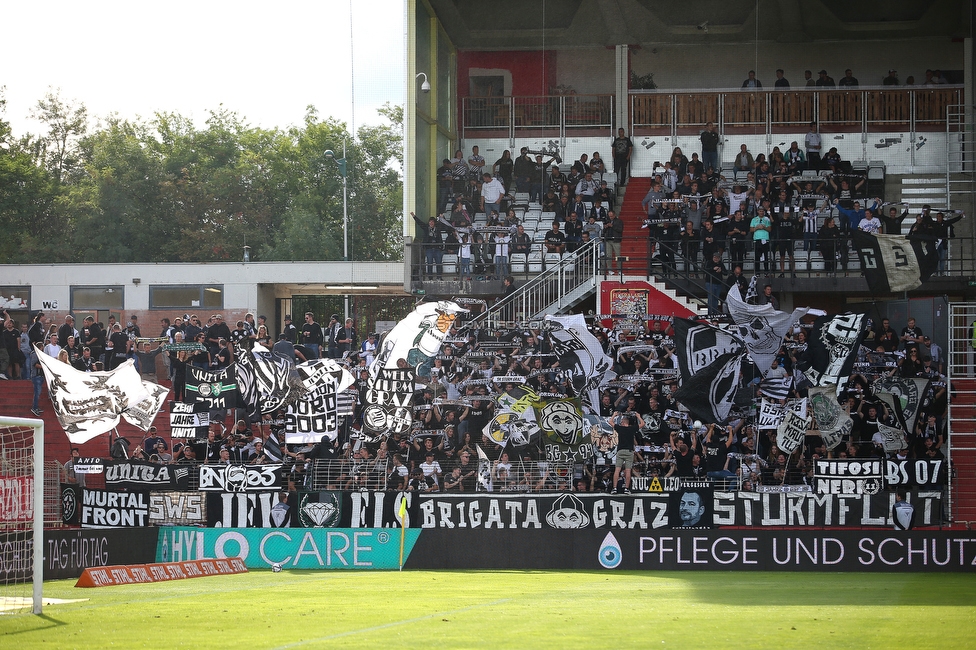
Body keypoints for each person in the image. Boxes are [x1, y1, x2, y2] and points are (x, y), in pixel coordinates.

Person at [610, 410, 643, 494]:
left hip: (620, 451)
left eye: (621, 422)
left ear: (624, 422)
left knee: (617, 470)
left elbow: (610, 422)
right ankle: (626, 489)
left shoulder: (620, 428)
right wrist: (638, 416)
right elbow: (643, 424)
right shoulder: (632, 429)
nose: (620, 423)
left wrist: (614, 415)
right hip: (629, 452)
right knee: (628, 471)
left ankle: (614, 488)